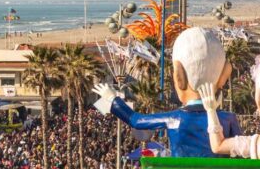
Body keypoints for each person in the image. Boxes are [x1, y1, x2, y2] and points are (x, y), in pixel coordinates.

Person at [94, 27, 240, 157]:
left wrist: (113, 99)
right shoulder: (228, 119)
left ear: (179, 76)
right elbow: (241, 154)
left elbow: (135, 120)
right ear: (223, 76)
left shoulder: (174, 118)